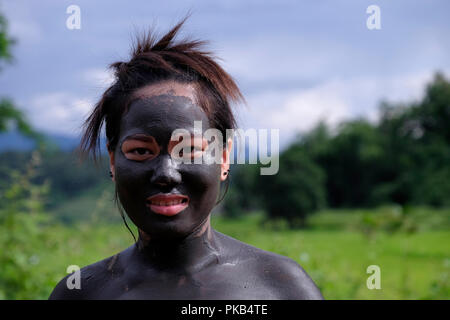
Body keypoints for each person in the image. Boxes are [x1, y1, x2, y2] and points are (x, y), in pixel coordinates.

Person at [49, 17, 323, 300]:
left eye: (190, 150)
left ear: (224, 158)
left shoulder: (280, 288)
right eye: (141, 151)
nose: (166, 173)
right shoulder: (81, 293)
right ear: (112, 161)